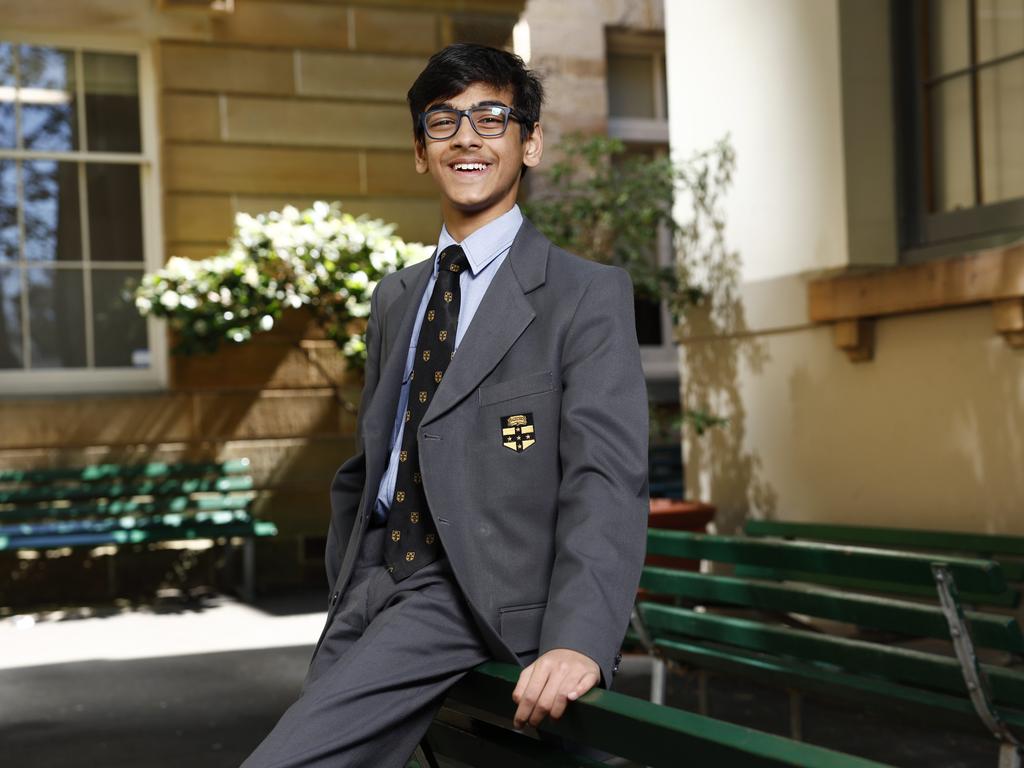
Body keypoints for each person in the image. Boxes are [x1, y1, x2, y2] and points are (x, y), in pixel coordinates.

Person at [242, 42, 648, 768]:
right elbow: (375, 456)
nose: (467, 135)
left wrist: (578, 638)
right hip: (368, 584)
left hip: (464, 588)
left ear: (531, 143)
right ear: (420, 152)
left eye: (492, 118)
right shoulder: (397, 298)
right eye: (443, 121)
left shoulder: (584, 294)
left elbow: (605, 478)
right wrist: (350, 573)